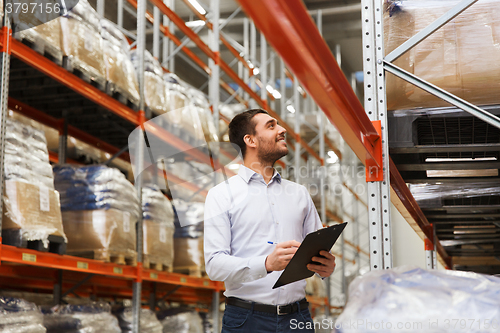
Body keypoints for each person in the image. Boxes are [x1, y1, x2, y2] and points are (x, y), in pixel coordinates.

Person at [204, 109, 336, 333]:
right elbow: (214, 265)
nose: (283, 130)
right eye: (271, 126)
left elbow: (317, 249)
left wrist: (326, 267)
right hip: (247, 320)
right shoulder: (221, 194)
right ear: (250, 140)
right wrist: (266, 264)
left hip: (298, 319)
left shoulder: (299, 194)